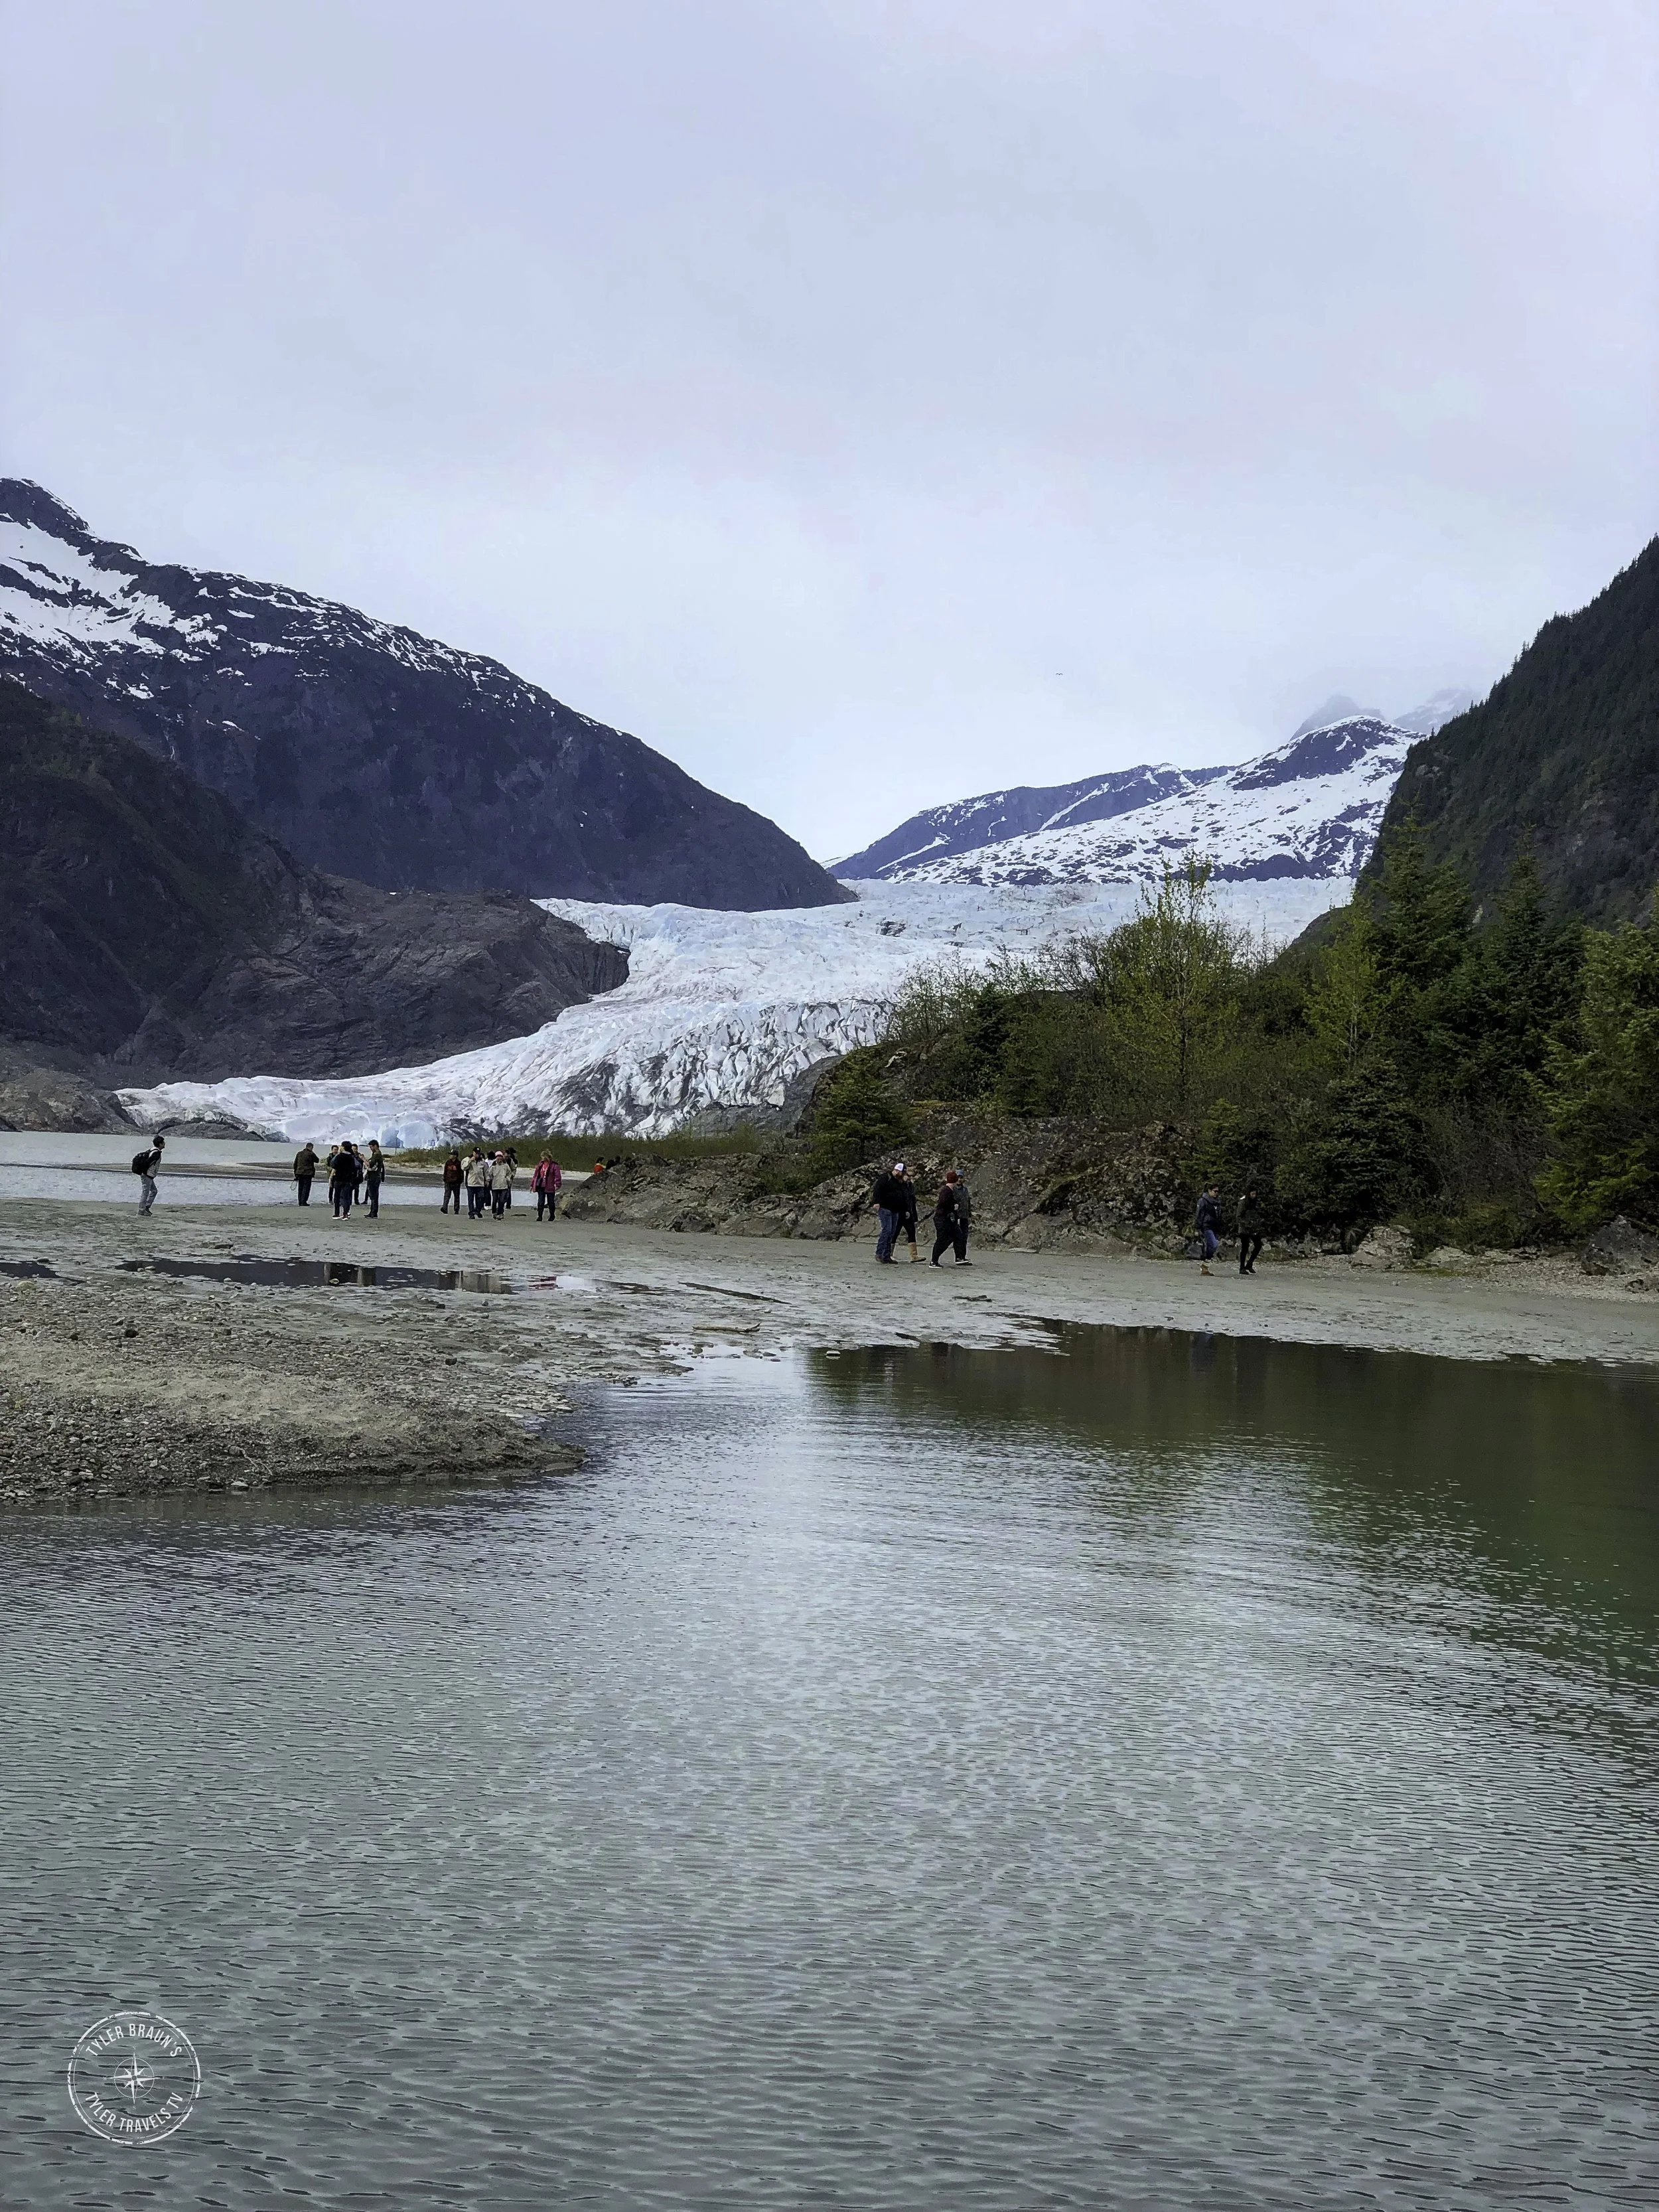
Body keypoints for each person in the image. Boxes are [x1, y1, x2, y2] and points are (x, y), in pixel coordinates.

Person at [872, 1161, 908, 1262]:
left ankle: (887, 1256)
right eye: (902, 1173)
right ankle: (880, 1253)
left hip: (895, 1210)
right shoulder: (885, 1178)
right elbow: (877, 1190)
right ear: (896, 1171)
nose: (903, 1175)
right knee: (887, 1230)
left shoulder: (900, 1182)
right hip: (885, 1208)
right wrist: (876, 1202)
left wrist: (905, 1210)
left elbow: (904, 1196)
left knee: (892, 1232)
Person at [930, 1171, 962, 1266]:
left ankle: (936, 1259)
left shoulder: (949, 1190)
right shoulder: (946, 1190)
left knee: (955, 1235)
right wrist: (954, 1206)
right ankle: (934, 1261)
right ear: (955, 1181)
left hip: (947, 1219)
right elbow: (943, 1203)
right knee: (941, 1240)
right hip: (942, 1219)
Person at [133, 1133, 165, 1216]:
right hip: (147, 1175)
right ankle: (142, 1210)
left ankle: (146, 1207)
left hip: (148, 1175)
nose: (165, 1144)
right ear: (160, 1144)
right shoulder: (156, 1153)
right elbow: (147, 1163)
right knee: (146, 1192)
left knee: (153, 1191)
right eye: (163, 1142)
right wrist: (145, 1173)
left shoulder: (152, 1151)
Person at [1195, 1184, 1222, 1276]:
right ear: (1209, 1191)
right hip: (1206, 1226)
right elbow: (1199, 1214)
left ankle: (1205, 1265)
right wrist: (1198, 1227)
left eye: (1218, 1192)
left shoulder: (1217, 1202)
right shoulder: (1203, 1201)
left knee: (1212, 1246)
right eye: (1215, 1191)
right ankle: (1205, 1263)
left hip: (1214, 1226)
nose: (1216, 1193)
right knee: (1213, 1244)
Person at [1237, 1185, 1264, 1276]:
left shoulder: (1255, 1202)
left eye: (1255, 1194)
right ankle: (1242, 1267)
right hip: (1244, 1229)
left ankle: (1249, 1264)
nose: (1254, 1196)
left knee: (1258, 1245)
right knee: (1245, 1247)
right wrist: (1247, 1224)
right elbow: (1238, 1217)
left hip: (1253, 1228)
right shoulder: (1243, 1202)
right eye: (1252, 1194)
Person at [895, 1163, 920, 1260]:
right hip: (899, 1212)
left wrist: (915, 1216)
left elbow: (913, 1201)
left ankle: (914, 1256)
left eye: (911, 1176)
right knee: (895, 1233)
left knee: (912, 1232)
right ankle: (889, 1253)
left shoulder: (910, 1186)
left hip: (910, 1213)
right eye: (908, 1175)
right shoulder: (899, 1185)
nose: (910, 1178)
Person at [330, 1142, 358, 1218]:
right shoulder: (351, 1157)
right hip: (348, 1180)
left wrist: (338, 1154)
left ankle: (337, 1214)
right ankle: (345, 1214)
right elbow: (355, 1167)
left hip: (339, 1179)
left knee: (337, 1196)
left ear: (343, 1147)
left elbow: (333, 1164)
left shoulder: (339, 1156)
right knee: (346, 1197)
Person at [951, 1169, 973, 1265]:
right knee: (958, 1238)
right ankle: (958, 1257)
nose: (960, 1180)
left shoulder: (966, 1190)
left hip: (965, 1217)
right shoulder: (953, 1190)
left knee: (964, 1237)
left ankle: (963, 1257)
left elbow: (968, 1202)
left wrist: (970, 1215)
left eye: (961, 1177)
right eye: (958, 1177)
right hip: (957, 1217)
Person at [532, 1153, 563, 1221]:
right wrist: (533, 1185)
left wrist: (557, 1185)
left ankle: (552, 1215)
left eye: (543, 1157)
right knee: (540, 1201)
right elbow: (536, 1175)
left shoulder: (554, 1166)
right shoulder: (540, 1165)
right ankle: (540, 1216)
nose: (542, 1158)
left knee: (551, 1202)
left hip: (550, 1186)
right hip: (540, 1186)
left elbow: (557, 1176)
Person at [363, 1140, 386, 1219]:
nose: (371, 1148)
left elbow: (370, 1164)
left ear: (375, 1146)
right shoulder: (376, 1154)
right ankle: (373, 1212)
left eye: (371, 1147)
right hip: (375, 1176)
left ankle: (374, 1213)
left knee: (373, 1195)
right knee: (373, 1195)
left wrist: (363, 1159)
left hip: (374, 1177)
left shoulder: (377, 1155)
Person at [465, 1147, 489, 1219]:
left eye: (478, 1153)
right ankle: (471, 1213)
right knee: (471, 1199)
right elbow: (464, 1168)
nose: (477, 1154)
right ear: (473, 1153)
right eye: (476, 1153)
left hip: (480, 1183)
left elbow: (486, 1172)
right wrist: (470, 1161)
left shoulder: (482, 1162)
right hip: (471, 1183)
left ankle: (477, 1210)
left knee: (481, 1198)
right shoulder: (467, 1159)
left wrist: (487, 1180)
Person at [491, 1149, 514, 1220]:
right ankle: (494, 1212)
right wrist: (489, 1180)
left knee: (502, 1200)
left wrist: (507, 1179)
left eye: (501, 1157)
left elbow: (509, 1173)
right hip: (495, 1185)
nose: (499, 1159)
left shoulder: (505, 1165)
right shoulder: (493, 1166)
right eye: (498, 1157)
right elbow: (488, 1174)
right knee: (495, 1200)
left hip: (504, 1185)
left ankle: (501, 1213)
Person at [293, 1141, 318, 1207]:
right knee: (306, 1188)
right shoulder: (311, 1154)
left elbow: (295, 1164)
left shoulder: (299, 1153)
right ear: (311, 1147)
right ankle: (304, 1202)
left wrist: (295, 1173)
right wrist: (312, 1153)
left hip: (299, 1173)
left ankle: (300, 1202)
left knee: (300, 1188)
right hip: (308, 1173)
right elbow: (317, 1160)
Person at [441, 1149, 464, 1215]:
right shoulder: (448, 1162)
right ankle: (445, 1208)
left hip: (456, 1183)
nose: (450, 1156)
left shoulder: (459, 1164)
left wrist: (460, 1181)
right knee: (447, 1196)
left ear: (455, 1156)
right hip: (448, 1182)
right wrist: (445, 1179)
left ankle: (456, 1210)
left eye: (451, 1154)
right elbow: (445, 1171)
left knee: (456, 1197)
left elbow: (461, 1173)